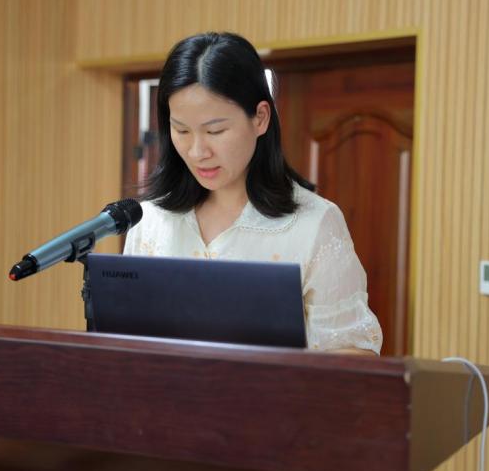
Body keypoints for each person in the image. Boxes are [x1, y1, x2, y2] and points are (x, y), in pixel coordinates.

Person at [123, 32, 382, 355]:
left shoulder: (313, 223)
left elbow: (352, 353)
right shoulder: (149, 221)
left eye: (215, 130)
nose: (197, 151)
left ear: (260, 118)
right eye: (182, 130)